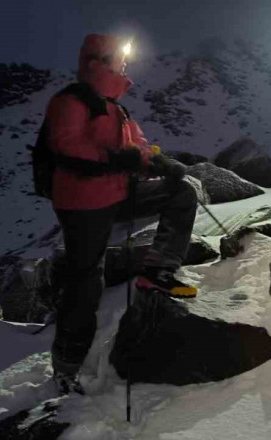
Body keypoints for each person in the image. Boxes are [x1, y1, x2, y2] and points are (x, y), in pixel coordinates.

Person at [41, 34, 199, 395]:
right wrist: (117, 158)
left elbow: (135, 146)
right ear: (101, 61)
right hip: (82, 204)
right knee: (85, 282)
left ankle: (157, 271)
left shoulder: (114, 107)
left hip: (118, 193)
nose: (126, 64)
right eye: (120, 58)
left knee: (181, 192)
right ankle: (66, 366)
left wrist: (156, 161)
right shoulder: (70, 101)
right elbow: (67, 146)